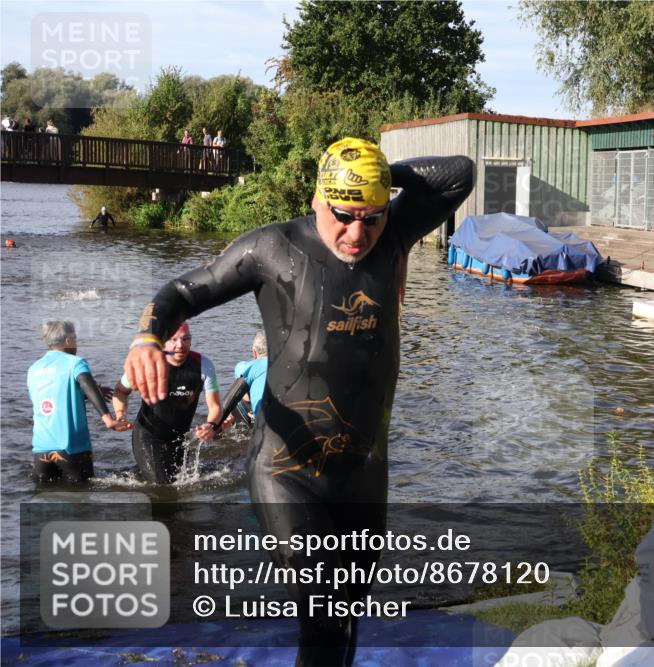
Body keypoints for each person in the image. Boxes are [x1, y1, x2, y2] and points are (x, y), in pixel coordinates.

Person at [122, 137, 474, 666]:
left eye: (373, 217)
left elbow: (459, 173)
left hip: (363, 471)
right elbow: (183, 290)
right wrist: (147, 339)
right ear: (317, 198)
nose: (358, 234)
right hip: (286, 470)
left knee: (346, 614)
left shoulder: (393, 235)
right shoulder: (273, 249)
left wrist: (376, 174)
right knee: (325, 608)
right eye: (345, 214)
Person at [113, 322, 222, 484]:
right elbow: (121, 391)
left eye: (186, 339)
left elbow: (215, 406)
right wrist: (120, 415)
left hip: (180, 438)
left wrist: (210, 425)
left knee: (178, 483)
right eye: (174, 339)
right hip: (148, 435)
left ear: (191, 341)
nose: (180, 345)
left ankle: (135, 474)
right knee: (163, 485)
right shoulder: (147, 363)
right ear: (163, 342)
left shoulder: (203, 365)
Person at [27, 321, 132, 483]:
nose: (76, 343)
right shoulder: (75, 362)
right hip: (71, 448)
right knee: (81, 501)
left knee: (45, 500)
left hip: (41, 450)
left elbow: (54, 396)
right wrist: (108, 419)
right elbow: (85, 383)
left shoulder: (34, 368)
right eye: (75, 338)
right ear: (68, 340)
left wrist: (85, 395)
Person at [217, 330, 268, 428]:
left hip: (267, 426)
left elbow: (241, 397)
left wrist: (214, 425)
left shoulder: (246, 367)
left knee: (240, 401)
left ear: (254, 352)